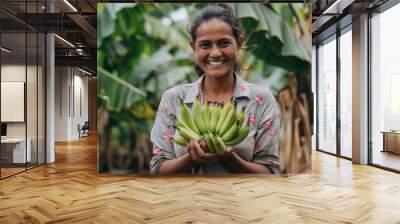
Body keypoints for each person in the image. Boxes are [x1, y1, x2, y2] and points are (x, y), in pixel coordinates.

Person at [150, 3, 280, 174]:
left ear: (239, 43)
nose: (216, 53)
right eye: (205, 45)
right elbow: (158, 168)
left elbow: (270, 170)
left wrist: (229, 158)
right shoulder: (175, 99)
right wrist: (191, 158)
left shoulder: (260, 99)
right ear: (193, 47)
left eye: (224, 43)